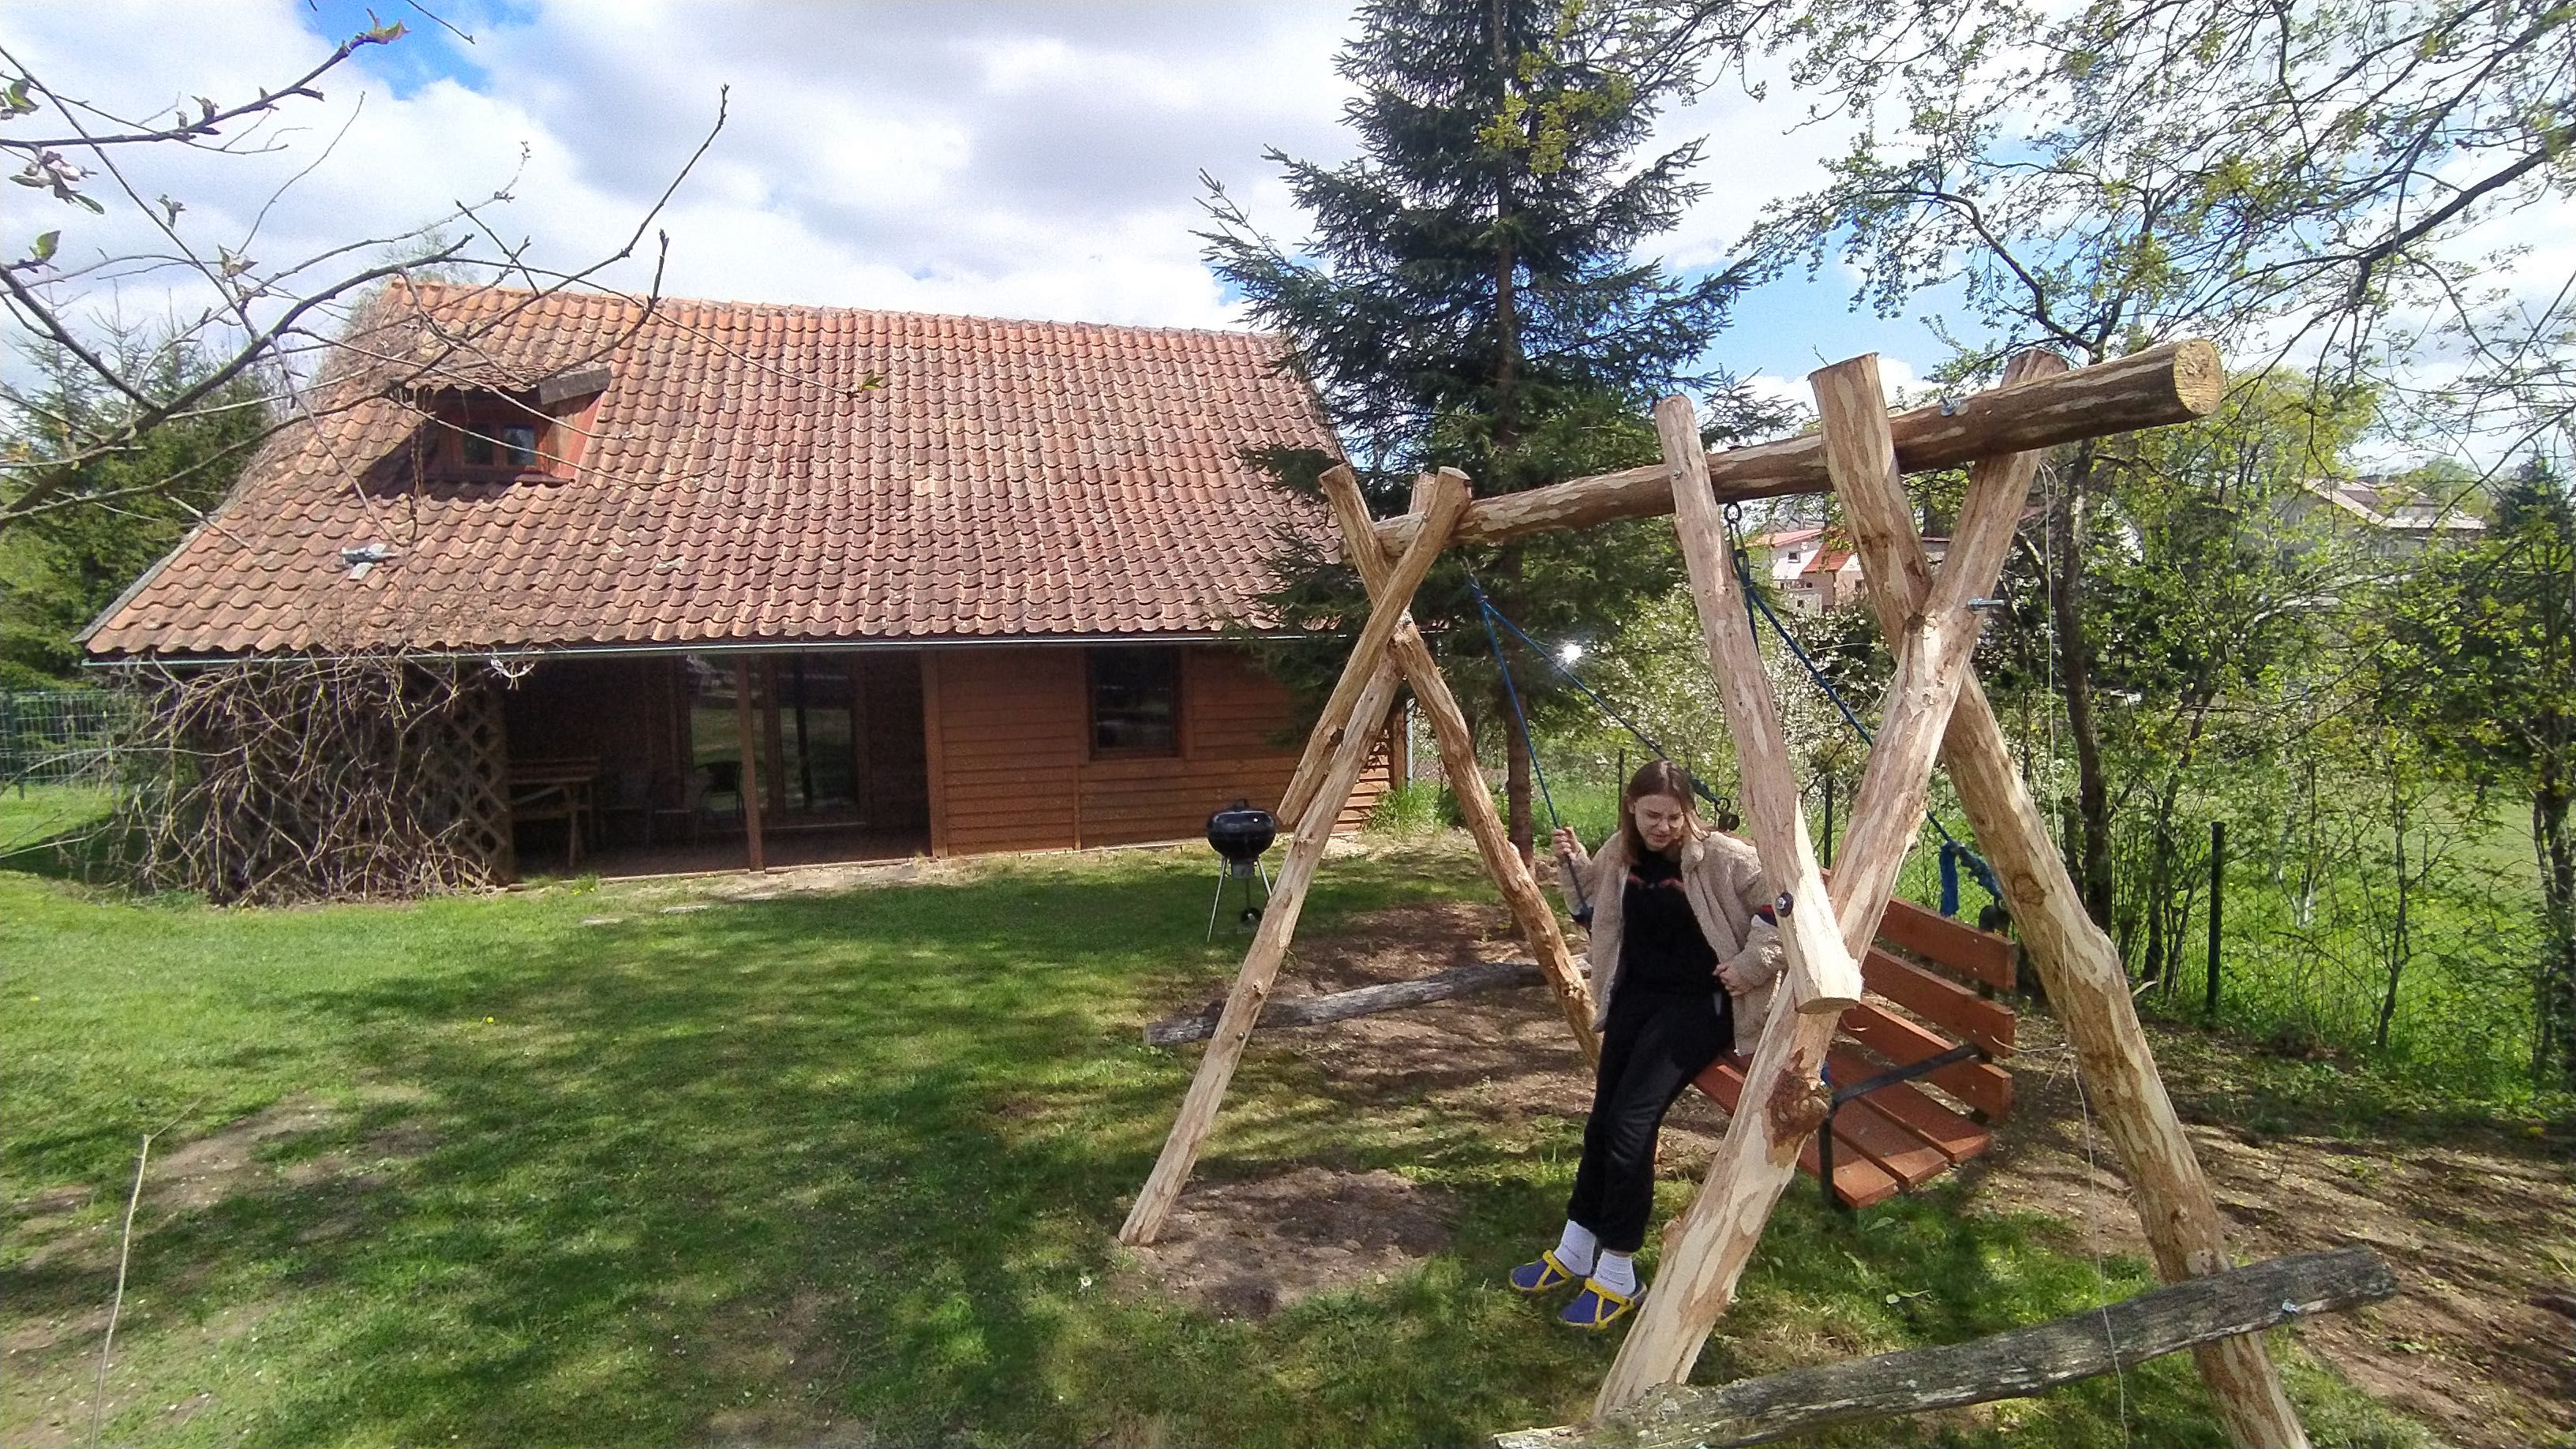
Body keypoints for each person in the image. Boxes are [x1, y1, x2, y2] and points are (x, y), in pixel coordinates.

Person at [1508, 758, 1783, 1329]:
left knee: (1633, 1124)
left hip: (1699, 1005)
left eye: (1674, 817)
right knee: (1602, 1121)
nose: (1664, 827)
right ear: (1631, 809)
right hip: (1637, 999)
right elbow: (1592, 908)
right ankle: (1576, 1246)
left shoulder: (1726, 858)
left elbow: (1785, 902)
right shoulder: (1624, 850)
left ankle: (1619, 1271)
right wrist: (1572, 863)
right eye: (1652, 815)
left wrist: (1752, 964)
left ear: (1688, 813)